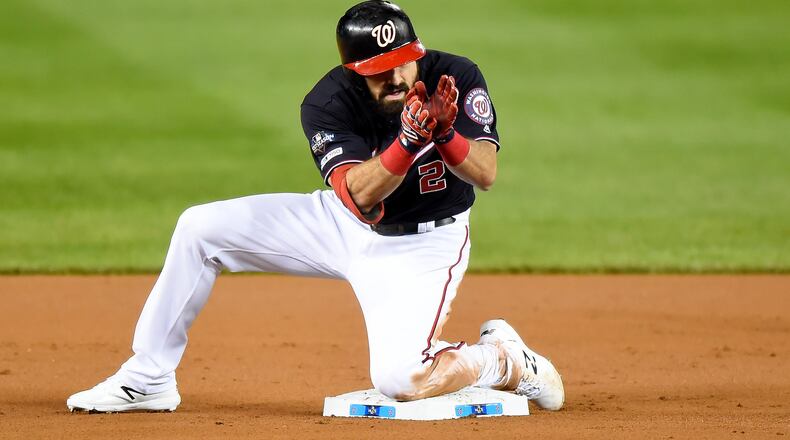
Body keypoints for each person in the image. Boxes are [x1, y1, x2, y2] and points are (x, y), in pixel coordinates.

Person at [66, 0, 564, 413]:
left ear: (418, 52)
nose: (394, 77)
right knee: (200, 229)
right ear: (353, 70)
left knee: (401, 381)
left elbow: (486, 173)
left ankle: (504, 359)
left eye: (402, 63)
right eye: (378, 71)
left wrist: (446, 133)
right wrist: (409, 141)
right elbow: (359, 196)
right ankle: (149, 377)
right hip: (340, 224)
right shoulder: (326, 103)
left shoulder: (455, 74)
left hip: (426, 244)